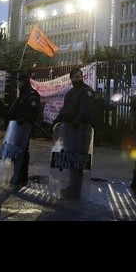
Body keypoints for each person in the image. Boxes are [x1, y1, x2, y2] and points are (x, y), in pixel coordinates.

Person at [54, 67, 94, 196]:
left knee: (78, 160)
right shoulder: (70, 93)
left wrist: (77, 121)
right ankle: (72, 186)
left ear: (82, 77)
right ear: (70, 78)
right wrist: (56, 122)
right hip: (69, 129)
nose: (77, 78)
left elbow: (86, 109)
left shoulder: (86, 91)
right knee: (70, 159)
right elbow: (65, 110)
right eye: (74, 76)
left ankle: (76, 189)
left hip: (80, 130)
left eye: (79, 76)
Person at [7, 73, 41, 185]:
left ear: (24, 82)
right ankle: (16, 174)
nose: (18, 84)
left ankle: (22, 177)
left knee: (23, 151)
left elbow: (33, 111)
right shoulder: (21, 95)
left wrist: (24, 119)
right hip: (16, 127)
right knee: (16, 151)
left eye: (19, 82)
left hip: (25, 127)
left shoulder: (32, 94)